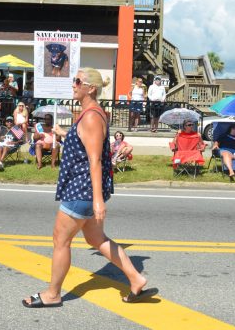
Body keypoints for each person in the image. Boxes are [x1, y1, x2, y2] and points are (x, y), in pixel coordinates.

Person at [23, 68, 157, 308]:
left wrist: (97, 200)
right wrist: (66, 134)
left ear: (90, 88)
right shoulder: (89, 113)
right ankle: (136, 278)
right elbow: (85, 147)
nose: (73, 84)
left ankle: (53, 294)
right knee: (97, 239)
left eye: (77, 81)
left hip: (82, 189)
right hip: (84, 188)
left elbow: (94, 160)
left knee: (60, 241)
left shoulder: (92, 116)